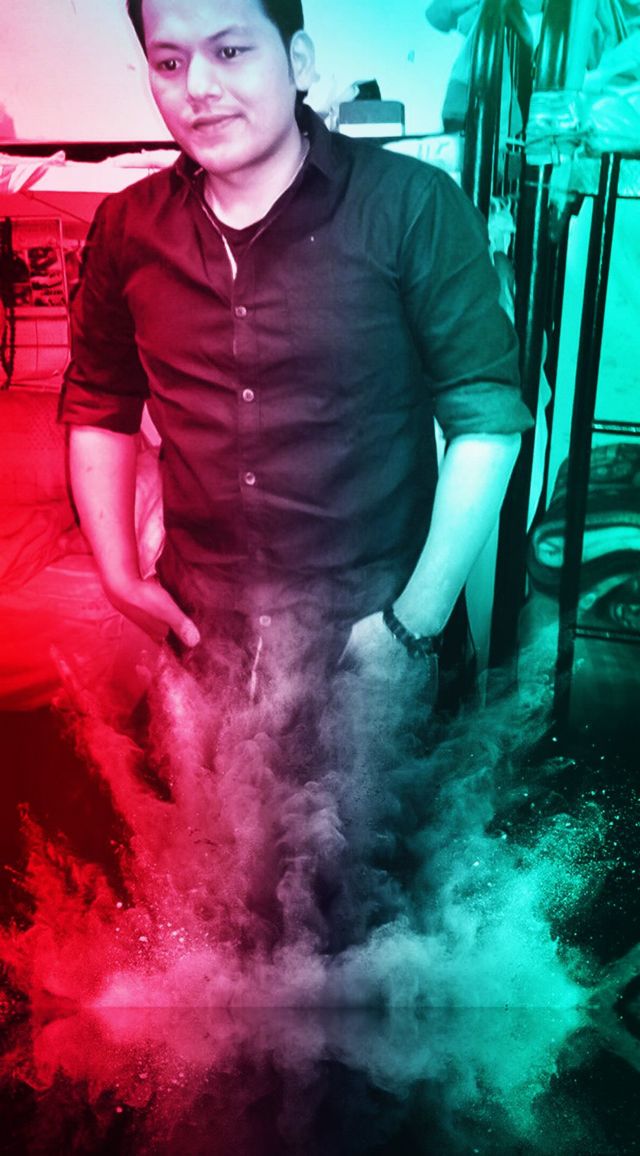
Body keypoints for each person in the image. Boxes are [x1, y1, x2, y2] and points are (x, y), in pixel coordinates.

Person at [59, 0, 532, 718]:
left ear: (298, 61)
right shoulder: (127, 229)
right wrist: (120, 576)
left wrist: (416, 623)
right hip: (203, 636)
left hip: (376, 639)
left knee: (397, 798)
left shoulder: (413, 206)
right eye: (170, 62)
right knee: (195, 799)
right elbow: (99, 404)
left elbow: (487, 417)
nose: (198, 87)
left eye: (230, 51)